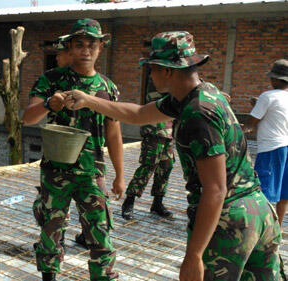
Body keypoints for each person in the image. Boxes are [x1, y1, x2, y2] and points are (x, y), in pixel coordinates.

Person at [65, 31, 282, 280]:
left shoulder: (198, 113)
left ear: (168, 70)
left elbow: (216, 189)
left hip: (230, 222)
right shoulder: (198, 94)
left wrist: (194, 256)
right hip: (259, 212)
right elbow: (137, 114)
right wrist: (88, 100)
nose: (151, 74)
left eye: (153, 68)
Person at [23, 19, 124, 281]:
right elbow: (28, 118)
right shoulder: (53, 79)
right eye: (79, 44)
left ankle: (102, 277)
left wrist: (121, 175)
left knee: (100, 231)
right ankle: (49, 276)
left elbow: (114, 134)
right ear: (70, 47)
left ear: (101, 47)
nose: (86, 50)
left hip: (92, 172)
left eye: (92, 44)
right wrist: (48, 103)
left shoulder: (108, 88)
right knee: (51, 227)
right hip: (56, 171)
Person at [121, 78, 174, 220]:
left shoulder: (176, 78)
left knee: (166, 167)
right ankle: (129, 201)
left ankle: (157, 203)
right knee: (147, 167)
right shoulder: (160, 79)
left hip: (168, 133)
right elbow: (168, 96)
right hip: (154, 131)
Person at [245, 59, 288, 227]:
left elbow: (249, 125)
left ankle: (262, 231)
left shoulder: (267, 96)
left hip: (272, 149)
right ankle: (276, 228)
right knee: (284, 193)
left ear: (275, 80)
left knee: (265, 193)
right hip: (286, 146)